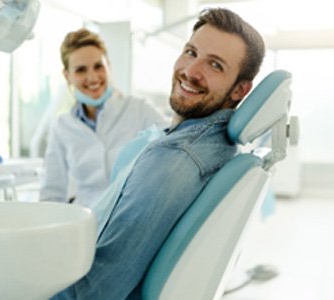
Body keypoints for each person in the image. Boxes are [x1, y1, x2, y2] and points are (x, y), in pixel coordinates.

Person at [51, 7, 265, 300]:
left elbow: (97, 288)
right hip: (85, 233)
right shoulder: (201, 144)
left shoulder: (176, 155)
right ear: (67, 76)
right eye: (191, 52)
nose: (191, 71)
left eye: (215, 65)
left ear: (240, 90)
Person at [39, 28, 167, 207]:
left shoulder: (140, 109)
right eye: (80, 70)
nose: (92, 77)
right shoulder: (62, 127)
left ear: (109, 66)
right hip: (85, 221)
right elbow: (52, 192)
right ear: (67, 76)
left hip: (130, 212)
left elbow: (172, 147)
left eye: (98, 66)